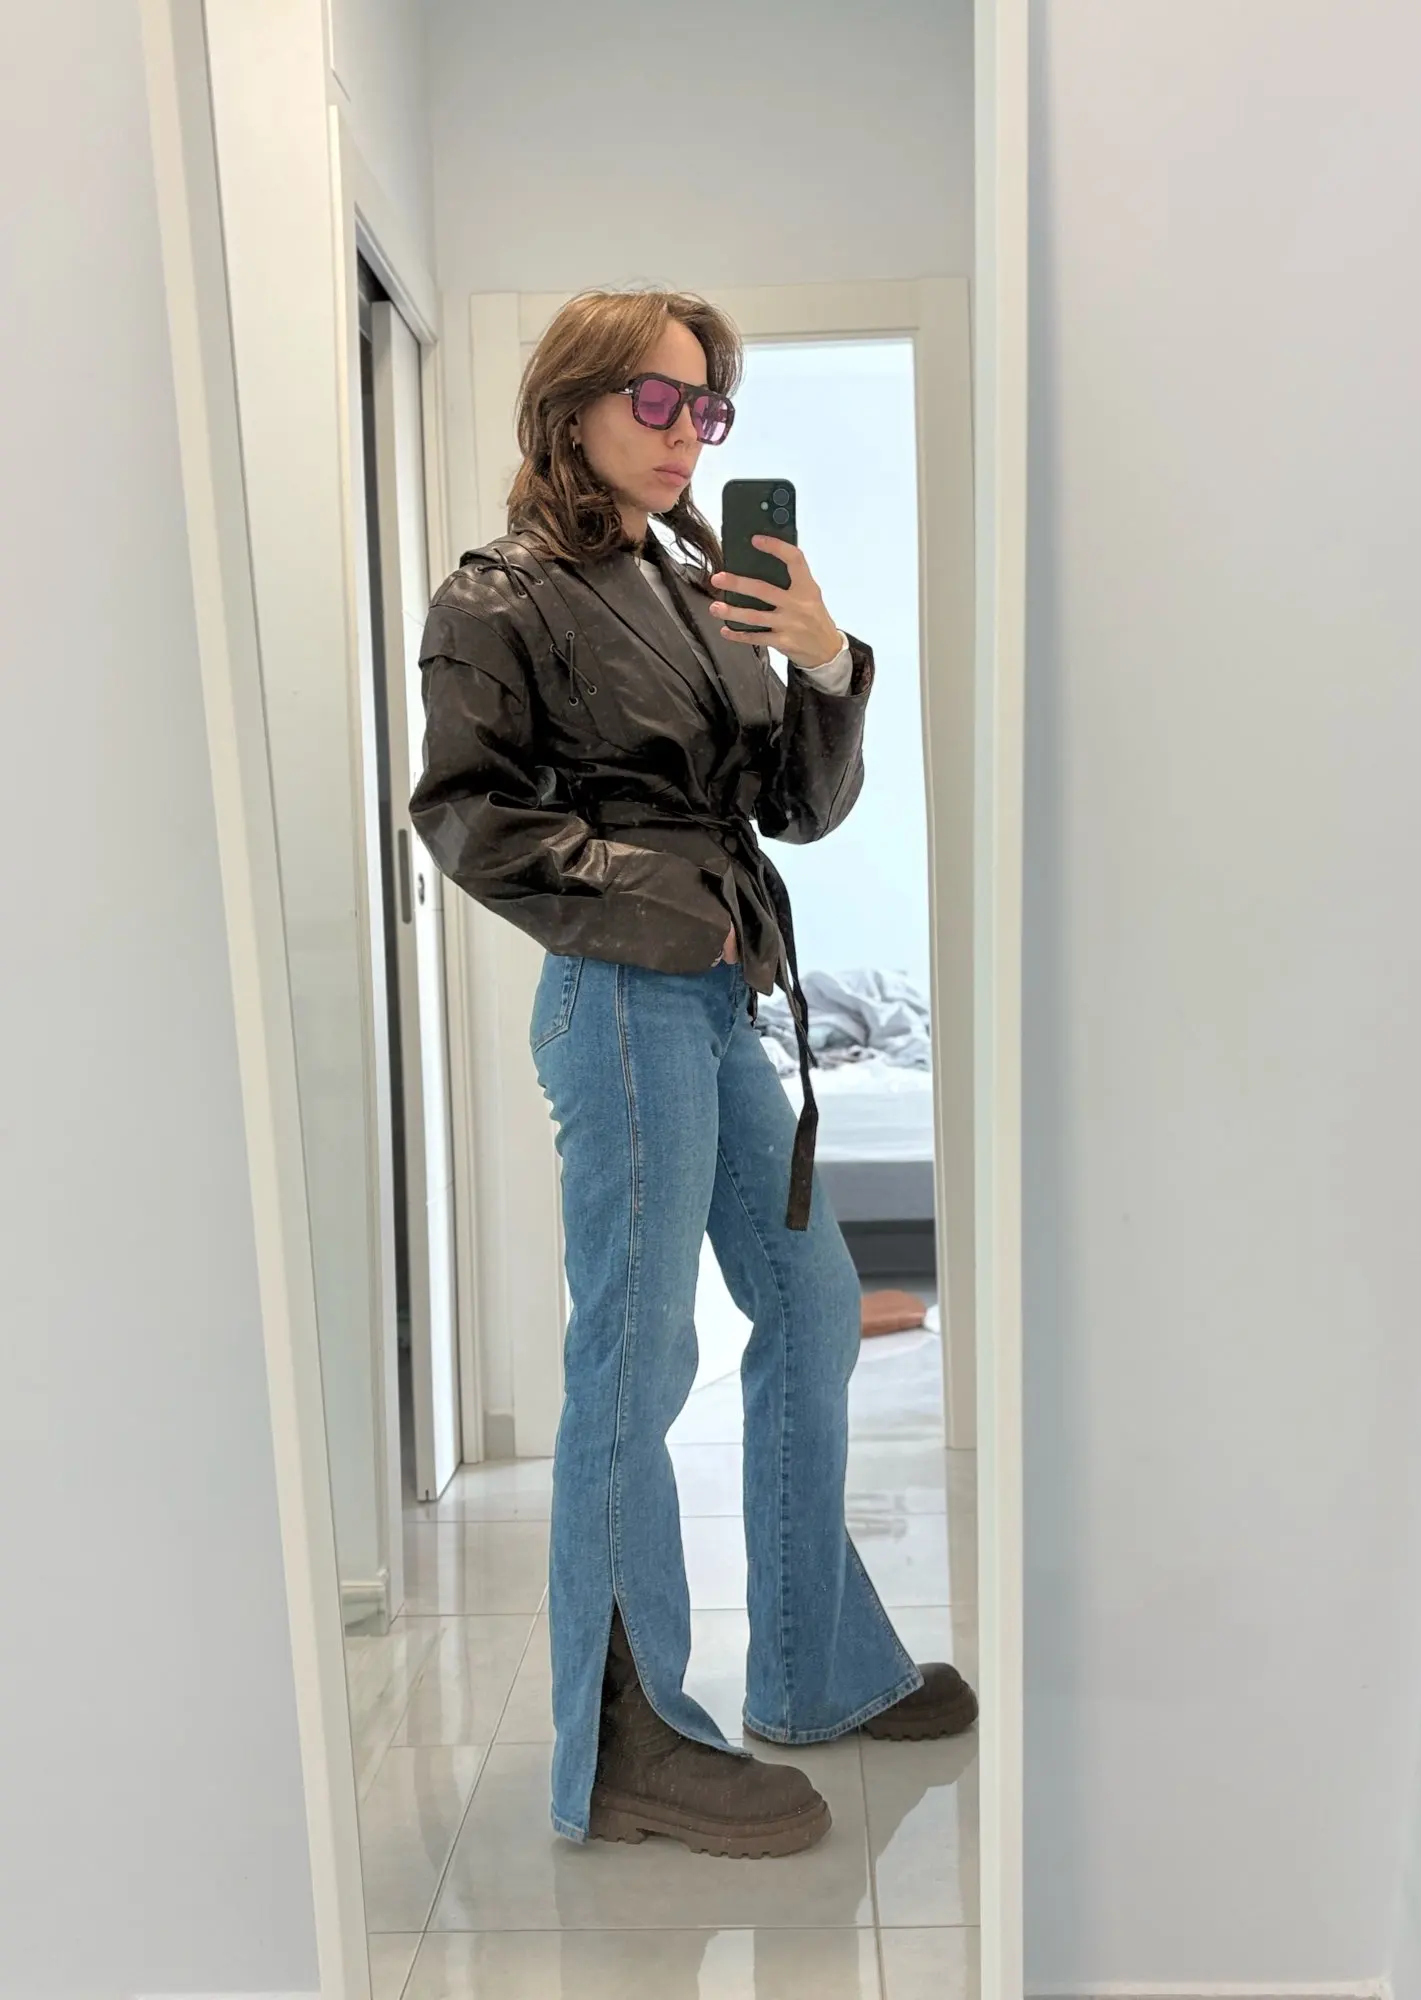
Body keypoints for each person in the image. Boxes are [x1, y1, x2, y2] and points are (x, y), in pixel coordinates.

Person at [409, 286, 976, 1858]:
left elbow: (792, 806)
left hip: (722, 995)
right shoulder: (500, 596)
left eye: (706, 408)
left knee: (810, 1305)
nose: (687, 435)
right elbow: (466, 813)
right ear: (572, 405)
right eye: (656, 401)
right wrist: (663, 905)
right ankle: (629, 1738)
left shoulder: (695, 577)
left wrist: (829, 662)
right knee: (637, 1355)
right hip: (620, 993)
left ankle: (810, 1668)